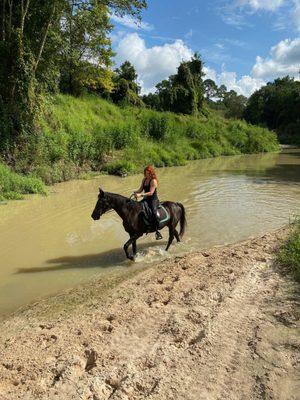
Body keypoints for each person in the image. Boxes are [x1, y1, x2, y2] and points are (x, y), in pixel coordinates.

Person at [134, 165, 163, 240]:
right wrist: (135, 192)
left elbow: (151, 193)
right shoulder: (144, 180)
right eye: (146, 173)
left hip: (153, 200)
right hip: (146, 199)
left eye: (148, 173)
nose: (147, 175)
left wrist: (140, 195)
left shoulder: (153, 181)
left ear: (151, 173)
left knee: (153, 212)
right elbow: (140, 189)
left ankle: (157, 230)